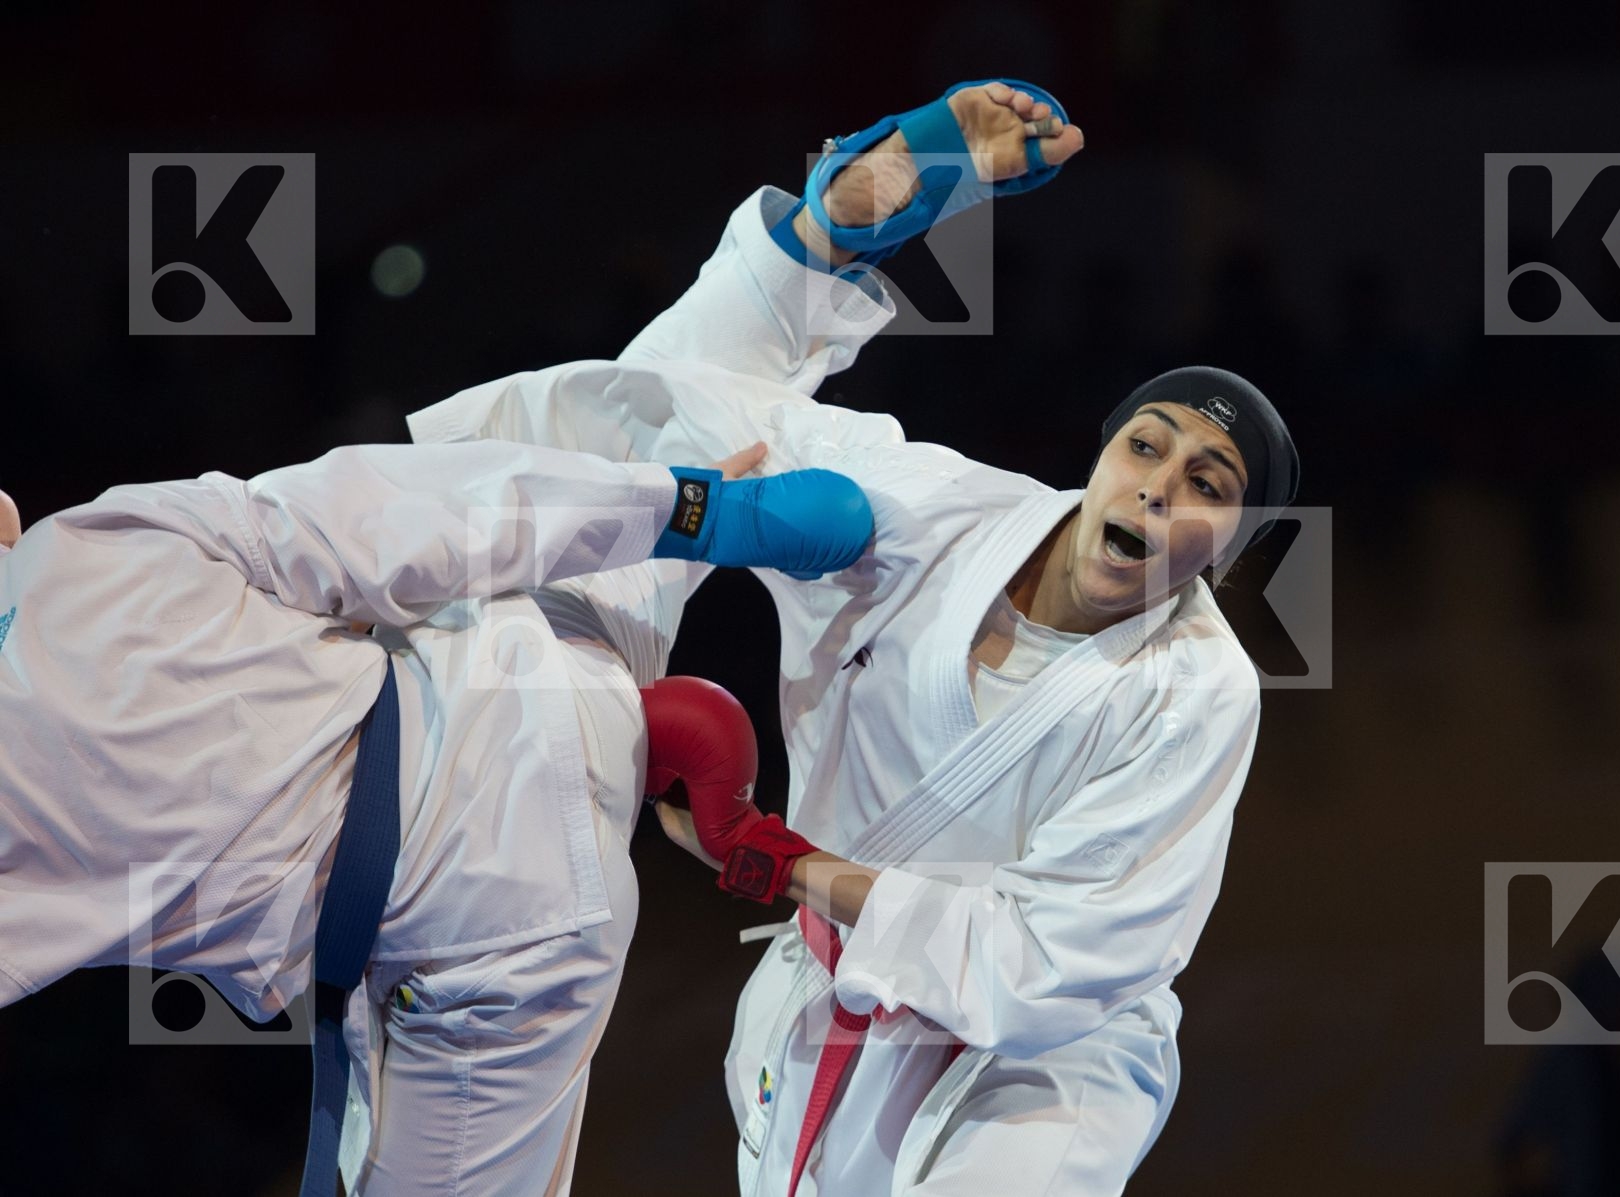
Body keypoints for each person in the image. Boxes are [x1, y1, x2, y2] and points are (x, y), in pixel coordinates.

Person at [406, 78, 1300, 1195]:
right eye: (1148, 447)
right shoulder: (927, 511)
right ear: (1105, 451)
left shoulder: (1197, 689)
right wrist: (833, 233)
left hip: (1043, 1071)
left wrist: (785, 863)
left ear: (1228, 547)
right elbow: (700, 397)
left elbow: (1051, 963)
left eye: (1208, 484)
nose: (1164, 485)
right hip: (826, 1005)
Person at [0, 439, 870, 1195]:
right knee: (675, 433)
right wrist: (682, 507)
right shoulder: (88, 539)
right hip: (507, 658)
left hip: (491, 909)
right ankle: (785, 293)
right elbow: (389, 512)